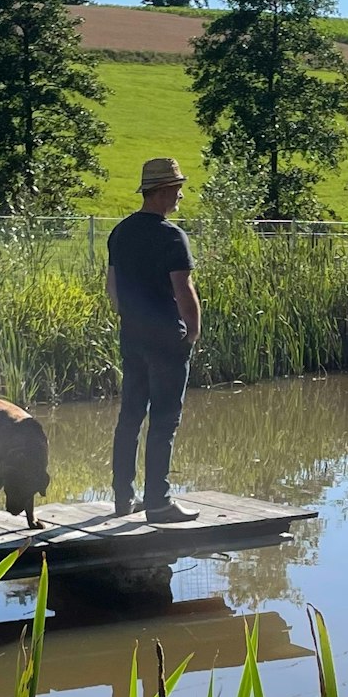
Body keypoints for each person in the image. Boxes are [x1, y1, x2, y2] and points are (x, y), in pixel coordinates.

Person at [106, 155, 202, 522]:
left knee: (129, 417)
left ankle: (122, 500)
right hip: (166, 339)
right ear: (162, 191)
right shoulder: (171, 236)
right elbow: (184, 290)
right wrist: (192, 332)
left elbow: (112, 287)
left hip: (132, 336)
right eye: (177, 189)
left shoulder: (121, 232)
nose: (180, 196)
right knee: (164, 420)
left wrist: (130, 318)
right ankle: (159, 503)